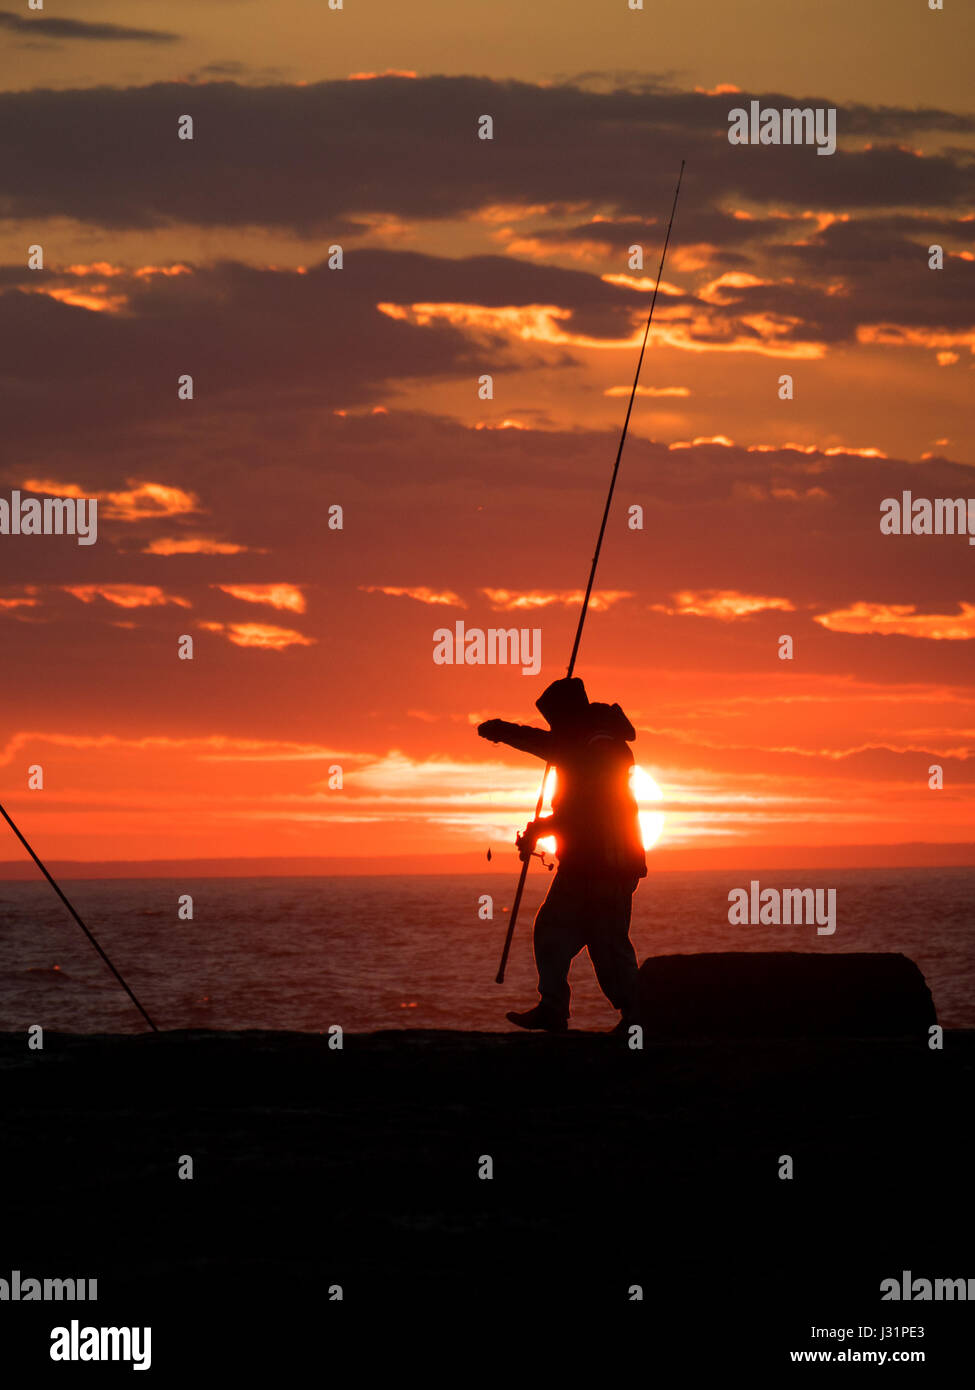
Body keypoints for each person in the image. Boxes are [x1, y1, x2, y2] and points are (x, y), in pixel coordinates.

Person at [478, 676, 647, 1033]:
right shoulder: (592, 741)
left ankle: (638, 1019)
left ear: (568, 715)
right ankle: (556, 1008)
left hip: (606, 865)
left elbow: (585, 811)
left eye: (555, 718)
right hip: (592, 863)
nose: (553, 726)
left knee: (606, 943)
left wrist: (501, 731)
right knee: (559, 931)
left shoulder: (592, 747)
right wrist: (503, 732)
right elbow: (549, 748)